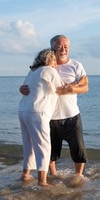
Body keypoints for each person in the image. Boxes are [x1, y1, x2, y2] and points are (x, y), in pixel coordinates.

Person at [20, 35, 89, 178]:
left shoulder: (76, 65)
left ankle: (78, 177)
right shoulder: (45, 68)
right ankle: (53, 176)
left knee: (78, 149)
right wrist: (21, 89)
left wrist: (74, 89)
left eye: (66, 46)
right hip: (50, 116)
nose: (63, 49)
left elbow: (85, 87)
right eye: (59, 46)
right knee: (51, 151)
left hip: (72, 115)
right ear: (52, 48)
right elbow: (52, 88)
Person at [18, 48, 63, 186]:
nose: (55, 62)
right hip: (38, 112)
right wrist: (78, 84)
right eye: (54, 59)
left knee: (28, 144)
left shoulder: (32, 71)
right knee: (43, 146)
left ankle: (26, 174)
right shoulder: (49, 70)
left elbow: (24, 89)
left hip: (23, 110)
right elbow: (61, 88)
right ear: (48, 59)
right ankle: (42, 181)